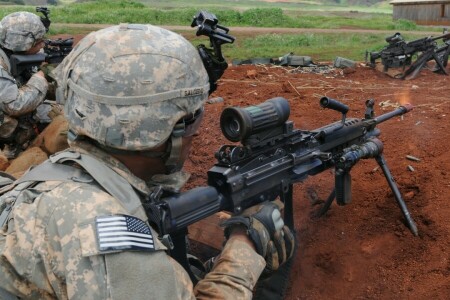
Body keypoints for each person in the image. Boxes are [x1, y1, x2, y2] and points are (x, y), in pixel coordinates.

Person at [0, 24, 294, 299]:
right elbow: (116, 268)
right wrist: (245, 245)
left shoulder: (52, 174)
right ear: (169, 129)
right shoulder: (105, 238)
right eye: (194, 118)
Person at [0, 11, 54, 159]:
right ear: (22, 43)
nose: (43, 44)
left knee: (55, 111)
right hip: (9, 113)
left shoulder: (16, 54)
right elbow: (14, 105)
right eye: (38, 42)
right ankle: (11, 150)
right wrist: (41, 76)